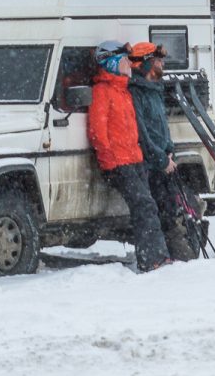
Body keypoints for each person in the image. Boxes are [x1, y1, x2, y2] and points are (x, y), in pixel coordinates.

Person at [86, 40, 172, 272]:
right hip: (119, 164)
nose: (128, 64)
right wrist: (110, 160)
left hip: (135, 160)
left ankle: (156, 256)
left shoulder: (124, 90)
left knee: (148, 206)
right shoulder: (102, 92)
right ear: (112, 63)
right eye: (124, 59)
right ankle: (153, 259)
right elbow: (98, 132)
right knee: (144, 206)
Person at [127, 42, 199, 260]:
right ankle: (166, 255)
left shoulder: (155, 90)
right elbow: (142, 133)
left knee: (171, 207)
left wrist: (169, 151)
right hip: (150, 166)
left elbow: (162, 127)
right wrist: (160, 159)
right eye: (157, 60)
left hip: (163, 161)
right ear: (146, 63)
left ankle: (178, 253)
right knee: (160, 212)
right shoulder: (135, 93)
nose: (162, 64)